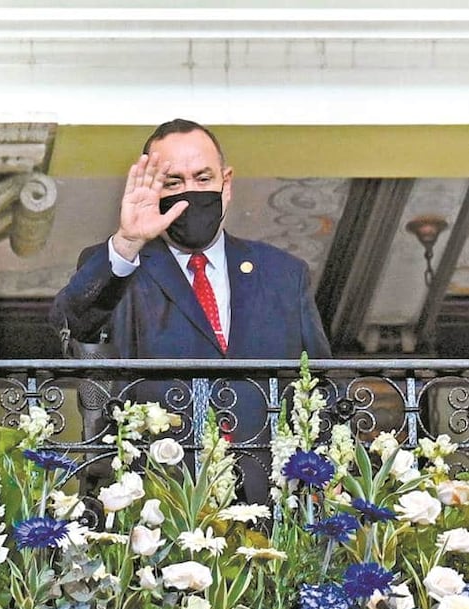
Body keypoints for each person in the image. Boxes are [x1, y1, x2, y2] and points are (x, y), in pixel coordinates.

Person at [50, 119, 331, 502]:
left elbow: (321, 386)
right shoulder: (122, 266)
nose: (191, 193)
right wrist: (129, 241)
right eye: (173, 183)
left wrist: (320, 485)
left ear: (226, 183)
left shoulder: (284, 274)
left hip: (273, 504)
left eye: (203, 179)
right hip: (157, 503)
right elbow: (73, 321)